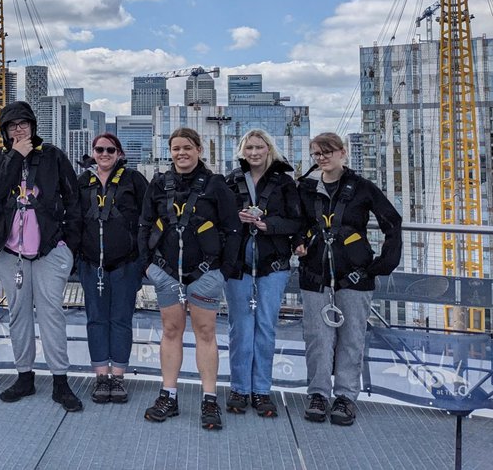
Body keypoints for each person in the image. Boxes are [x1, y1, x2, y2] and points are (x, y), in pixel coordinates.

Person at [0, 101, 84, 413]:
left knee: (52, 312)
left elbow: (74, 199)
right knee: (18, 314)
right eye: (11, 125)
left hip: (49, 249)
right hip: (10, 252)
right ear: (4, 131)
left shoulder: (53, 156)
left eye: (23, 123)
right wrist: (16, 156)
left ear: (33, 126)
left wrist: (68, 243)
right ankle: (24, 376)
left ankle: (60, 381)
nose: (18, 129)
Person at [294, 132, 401, 427]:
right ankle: (318, 393)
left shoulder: (362, 188)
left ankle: (345, 397)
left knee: (351, 338)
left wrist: (384, 263)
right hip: (314, 274)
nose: (322, 158)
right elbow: (301, 223)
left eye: (328, 152)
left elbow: (392, 221)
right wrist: (300, 241)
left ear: (342, 152)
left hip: (355, 275)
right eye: (317, 153)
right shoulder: (307, 189)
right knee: (317, 338)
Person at [138, 127, 240, 430]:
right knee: (170, 331)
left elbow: (233, 229)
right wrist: (147, 266)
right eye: (176, 148)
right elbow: (144, 224)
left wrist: (225, 270)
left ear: (198, 150)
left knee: (205, 332)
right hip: (167, 273)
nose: (181, 153)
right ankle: (168, 395)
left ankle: (209, 400)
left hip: (206, 274)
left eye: (187, 148)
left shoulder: (215, 186)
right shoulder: (158, 184)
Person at [223, 129, 302, 418]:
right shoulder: (231, 181)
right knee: (240, 329)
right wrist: (237, 217)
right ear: (242, 151)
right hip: (238, 267)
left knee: (266, 329)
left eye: (259, 147)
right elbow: (219, 220)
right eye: (249, 148)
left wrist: (270, 225)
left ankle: (261, 390)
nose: (254, 153)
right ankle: (239, 389)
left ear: (269, 149)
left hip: (273, 265)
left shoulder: (284, 182)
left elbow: (296, 222)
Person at [75, 133, 148, 405]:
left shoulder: (134, 180)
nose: (104, 154)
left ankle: (118, 376)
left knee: (120, 319)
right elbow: (73, 219)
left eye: (110, 150)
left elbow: (148, 217)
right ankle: (101, 377)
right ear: (93, 152)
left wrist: (142, 260)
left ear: (119, 153)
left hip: (126, 263)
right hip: (90, 262)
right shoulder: (83, 182)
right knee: (96, 320)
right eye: (99, 149)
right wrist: (76, 258)